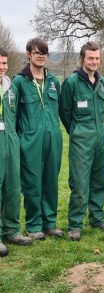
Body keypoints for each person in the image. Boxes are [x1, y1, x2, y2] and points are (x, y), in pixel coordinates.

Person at [60, 42, 104, 241]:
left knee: (100, 179)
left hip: (101, 134)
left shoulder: (103, 82)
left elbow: (102, 110)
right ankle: (75, 224)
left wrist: (102, 130)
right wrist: (76, 130)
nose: (94, 61)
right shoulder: (72, 82)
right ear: (82, 58)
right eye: (90, 58)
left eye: (97, 58)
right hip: (81, 136)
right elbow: (65, 112)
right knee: (80, 181)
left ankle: (97, 218)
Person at [13, 38, 63, 240]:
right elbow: (13, 115)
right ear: (28, 54)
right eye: (36, 53)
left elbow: (59, 110)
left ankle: (49, 223)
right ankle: (34, 226)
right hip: (30, 141)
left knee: (51, 181)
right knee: (32, 184)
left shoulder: (53, 82)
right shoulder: (19, 82)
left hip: (53, 140)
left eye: (44, 53)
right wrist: (19, 141)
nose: (41, 56)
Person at [0, 48, 32, 257]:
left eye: (4, 64)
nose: (2, 68)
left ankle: (11, 230)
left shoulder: (10, 86)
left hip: (10, 137)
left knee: (13, 185)